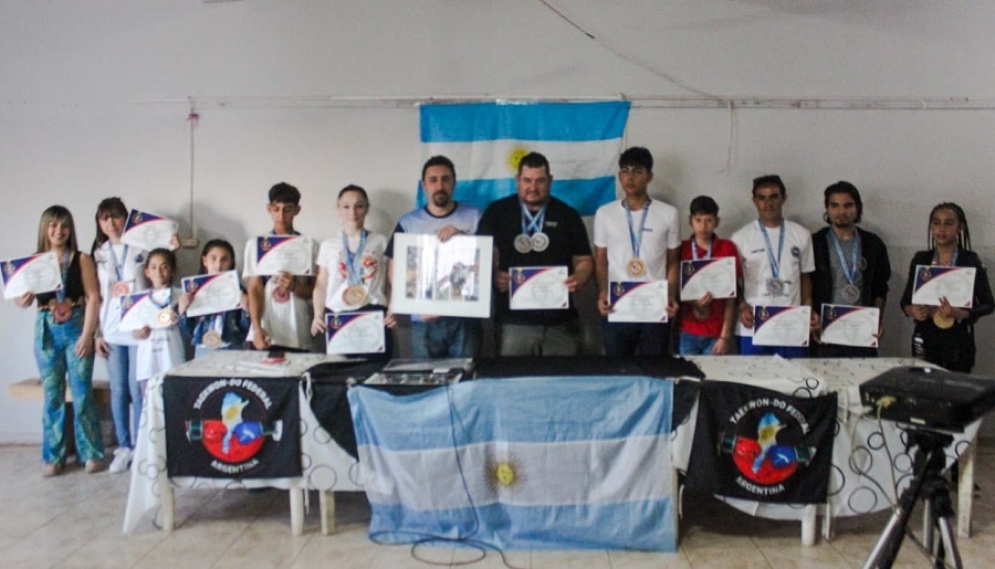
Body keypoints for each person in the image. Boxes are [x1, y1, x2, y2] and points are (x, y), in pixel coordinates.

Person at [16, 206, 105, 476]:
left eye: (64, 226)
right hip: (46, 329)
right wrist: (23, 299)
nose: (59, 231)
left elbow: (93, 298)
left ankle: (90, 453)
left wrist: (88, 334)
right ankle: (53, 457)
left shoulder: (82, 259)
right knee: (52, 395)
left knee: (81, 394)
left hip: (76, 326)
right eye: (53, 225)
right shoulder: (33, 261)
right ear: (45, 228)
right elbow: (20, 299)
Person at [477, 151, 594, 356]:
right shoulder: (496, 213)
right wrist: (492, 276)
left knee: (560, 385)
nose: (533, 187)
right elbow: (479, 259)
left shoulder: (567, 215)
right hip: (513, 324)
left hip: (561, 323)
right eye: (527, 180)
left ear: (550, 181)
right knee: (515, 385)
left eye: (540, 180)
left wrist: (580, 277)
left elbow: (584, 260)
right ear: (517, 181)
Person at [386, 156, 483, 358]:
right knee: (426, 380)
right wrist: (413, 306)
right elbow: (395, 268)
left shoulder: (474, 216)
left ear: (454, 183)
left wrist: (463, 239)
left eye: (445, 179)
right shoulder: (408, 223)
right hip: (424, 320)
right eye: (433, 180)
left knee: (465, 381)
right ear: (424, 186)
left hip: (464, 318)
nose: (440, 185)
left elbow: (487, 262)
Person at [594, 147, 680, 356]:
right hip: (618, 306)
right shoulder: (605, 214)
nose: (630, 177)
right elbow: (601, 261)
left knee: (654, 371)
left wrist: (669, 296)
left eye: (638, 171)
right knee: (618, 371)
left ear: (649, 176)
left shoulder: (668, 214)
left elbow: (673, 262)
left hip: (655, 307)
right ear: (619, 176)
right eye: (625, 170)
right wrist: (603, 293)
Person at [900, 202, 994, 372]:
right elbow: (905, 302)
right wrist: (912, 310)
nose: (941, 229)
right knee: (925, 390)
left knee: (956, 391)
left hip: (958, 340)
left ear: (960, 228)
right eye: (936, 223)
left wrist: (962, 313)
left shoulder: (969, 261)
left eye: (949, 223)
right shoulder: (921, 260)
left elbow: (988, 304)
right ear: (930, 227)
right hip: (925, 337)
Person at [731, 175, 815, 358]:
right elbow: (732, 281)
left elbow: (805, 276)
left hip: (791, 324)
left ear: (783, 198)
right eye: (762, 197)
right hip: (753, 325)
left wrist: (807, 308)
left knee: (794, 382)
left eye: (773, 196)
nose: (768, 203)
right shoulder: (740, 238)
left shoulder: (802, 234)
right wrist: (742, 306)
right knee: (753, 383)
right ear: (754, 201)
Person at [91, 197, 145, 474]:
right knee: (119, 389)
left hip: (137, 328)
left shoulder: (142, 247)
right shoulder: (98, 253)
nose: (110, 223)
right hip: (110, 329)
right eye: (104, 218)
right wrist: (97, 333)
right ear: (99, 223)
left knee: (138, 389)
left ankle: (139, 446)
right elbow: (96, 297)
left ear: (126, 217)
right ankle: (123, 447)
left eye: (115, 216)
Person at [312, 185, 396, 360]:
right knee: (340, 375)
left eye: (359, 206)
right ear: (338, 209)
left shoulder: (380, 241)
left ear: (367, 208)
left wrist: (393, 310)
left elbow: (390, 282)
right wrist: (317, 315)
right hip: (338, 316)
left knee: (373, 374)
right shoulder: (329, 245)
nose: (353, 212)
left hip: (373, 313)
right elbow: (321, 285)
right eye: (346, 206)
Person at [811, 182, 891, 357]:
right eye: (835, 206)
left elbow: (880, 287)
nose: (841, 212)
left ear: (857, 208)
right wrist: (812, 318)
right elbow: (806, 285)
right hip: (826, 330)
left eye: (848, 205)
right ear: (827, 209)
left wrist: (877, 320)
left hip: (862, 330)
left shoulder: (873, 244)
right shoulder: (815, 243)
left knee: (861, 382)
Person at [243, 182, 316, 351]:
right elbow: (254, 289)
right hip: (266, 328)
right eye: (276, 209)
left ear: (297, 210)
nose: (281, 216)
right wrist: (256, 328)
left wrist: (295, 287)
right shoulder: (256, 245)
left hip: (297, 328)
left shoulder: (309, 245)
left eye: (287, 209)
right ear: (269, 208)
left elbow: (315, 290)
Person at [678, 196, 740, 355]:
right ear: (690, 220)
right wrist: (694, 302)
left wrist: (725, 336)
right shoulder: (681, 249)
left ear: (717, 221)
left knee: (714, 378)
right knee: (688, 377)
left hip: (716, 332)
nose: (703, 226)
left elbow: (731, 298)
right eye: (698, 220)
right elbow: (674, 288)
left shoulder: (727, 248)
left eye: (709, 220)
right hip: (687, 330)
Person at [178, 239, 250, 359]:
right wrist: (182, 312)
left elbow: (245, 330)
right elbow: (188, 331)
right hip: (203, 348)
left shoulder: (239, 291)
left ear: (231, 262)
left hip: (231, 346)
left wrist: (247, 311)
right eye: (213, 259)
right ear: (204, 261)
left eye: (224, 259)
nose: (218, 265)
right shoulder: (193, 291)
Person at [133, 248, 187, 384]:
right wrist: (139, 333)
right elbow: (134, 332)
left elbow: (189, 328)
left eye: (164, 267)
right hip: (147, 363)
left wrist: (180, 314)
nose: (158, 272)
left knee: (174, 402)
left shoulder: (182, 295)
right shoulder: (139, 300)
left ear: (172, 270)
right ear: (147, 272)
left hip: (172, 360)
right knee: (148, 403)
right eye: (153, 267)